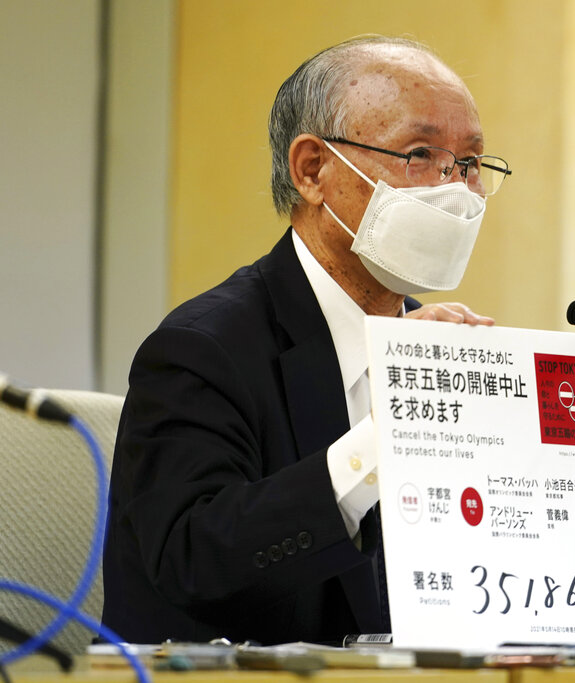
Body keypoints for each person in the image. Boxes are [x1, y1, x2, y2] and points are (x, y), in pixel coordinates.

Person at [100, 35, 507, 645]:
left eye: (471, 164)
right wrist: (386, 433)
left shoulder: (444, 353)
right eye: (420, 154)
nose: (454, 189)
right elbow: (192, 563)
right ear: (313, 170)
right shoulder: (200, 350)